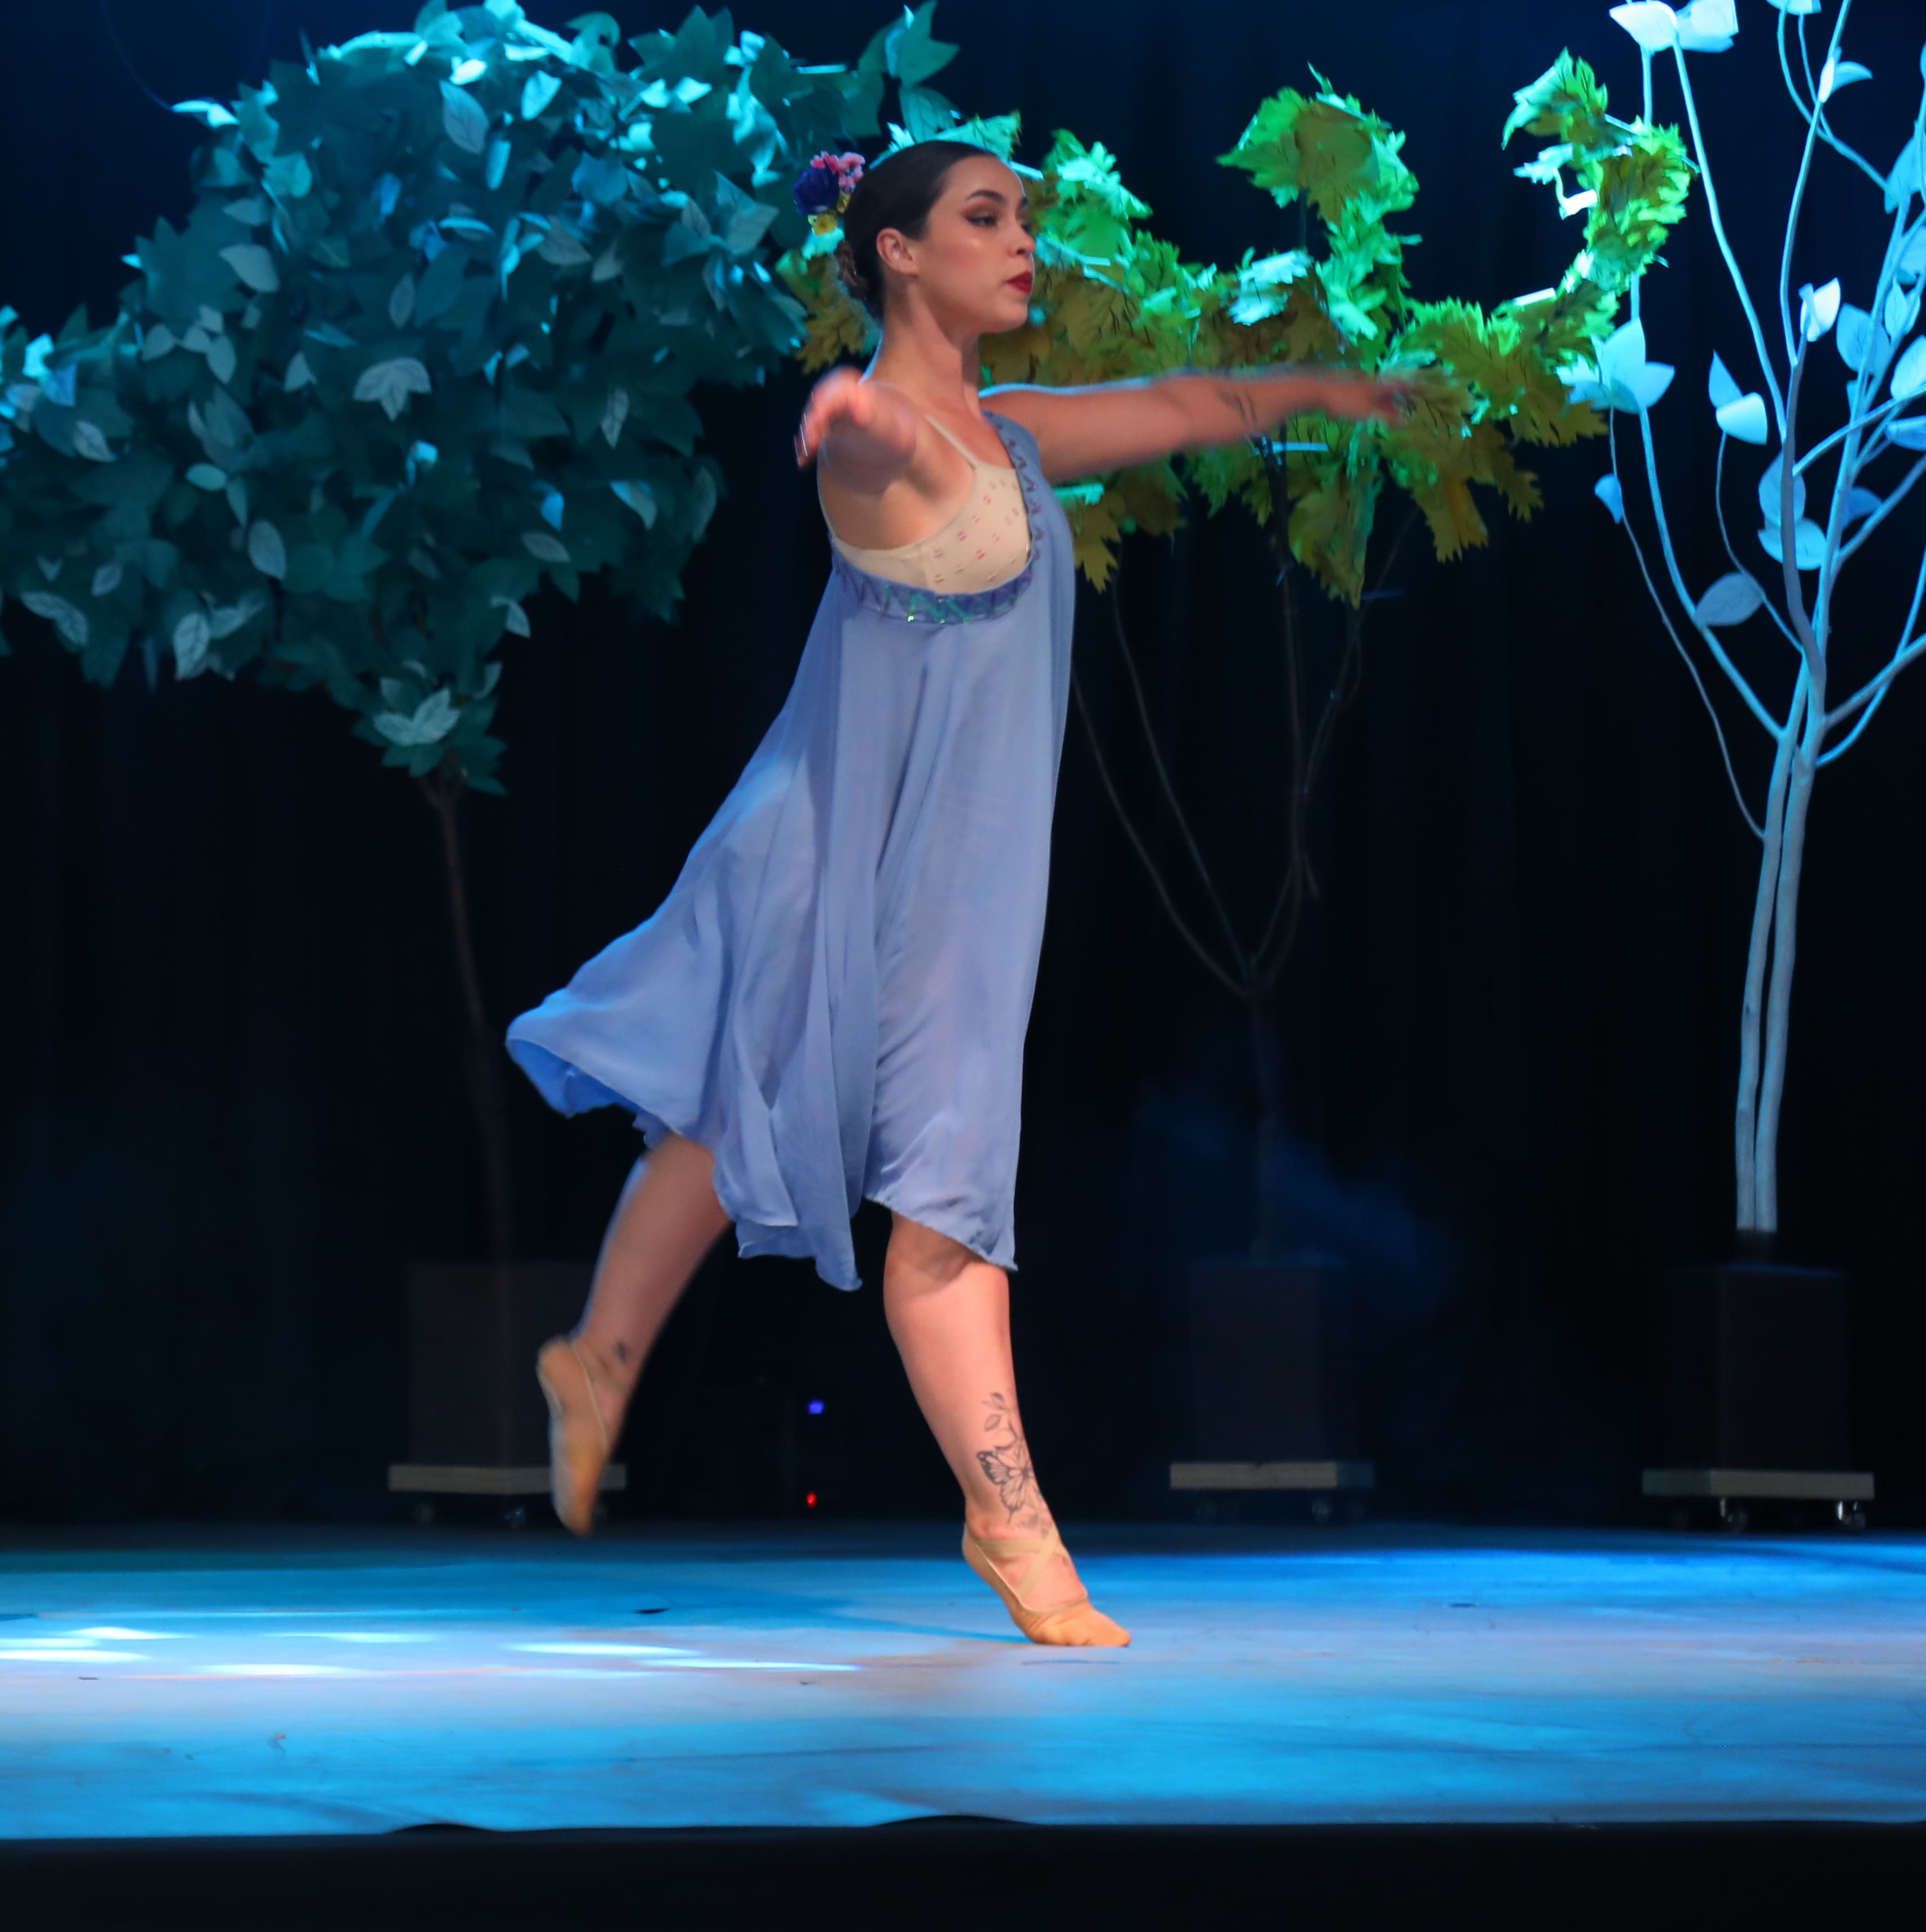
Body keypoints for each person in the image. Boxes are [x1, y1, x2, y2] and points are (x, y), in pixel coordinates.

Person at [504, 140, 1412, 1648]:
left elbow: (1186, 405)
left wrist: (1326, 389)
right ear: (900, 252)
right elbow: (884, 458)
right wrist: (853, 410)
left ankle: (612, 1367)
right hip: (822, 859)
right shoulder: (885, 447)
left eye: (1024, 219)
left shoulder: (1020, 438)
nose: (1022, 242)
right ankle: (1000, 1519)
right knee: (799, 1142)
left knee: (830, 1162)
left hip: (948, 891)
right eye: (986, 218)